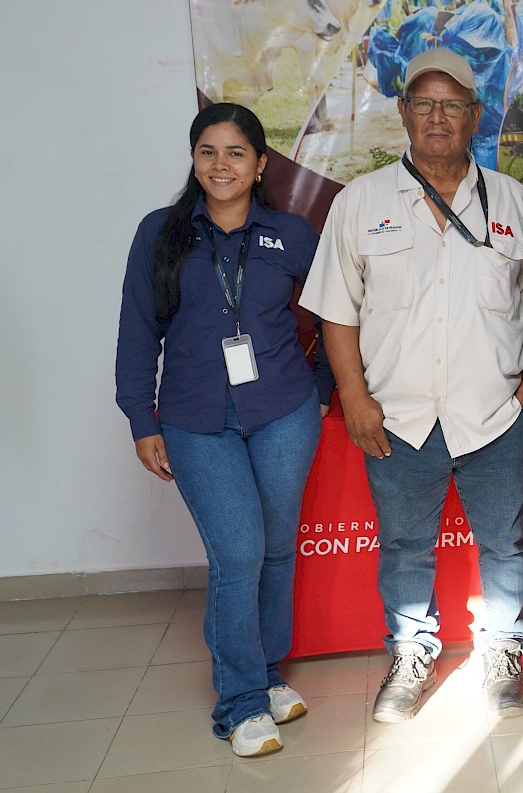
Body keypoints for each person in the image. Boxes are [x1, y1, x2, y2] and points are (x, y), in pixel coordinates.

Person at [300, 48, 523, 722]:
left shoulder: (513, 201)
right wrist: (354, 398)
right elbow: (338, 311)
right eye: (424, 104)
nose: (438, 117)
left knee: (505, 543)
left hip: (495, 414)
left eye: (453, 104)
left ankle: (503, 649)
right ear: (404, 113)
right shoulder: (361, 202)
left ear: (475, 115)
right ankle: (412, 653)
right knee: (406, 546)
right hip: (399, 417)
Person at [115, 103, 331, 757]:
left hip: (283, 413)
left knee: (276, 548)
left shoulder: (290, 233)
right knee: (238, 553)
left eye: (236, 152)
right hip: (195, 418)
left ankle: (266, 673)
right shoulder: (161, 233)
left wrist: (323, 390)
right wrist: (141, 418)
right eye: (208, 151)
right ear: (193, 159)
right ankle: (240, 702)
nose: (221, 164)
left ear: (261, 163)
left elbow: (337, 314)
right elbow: (137, 331)